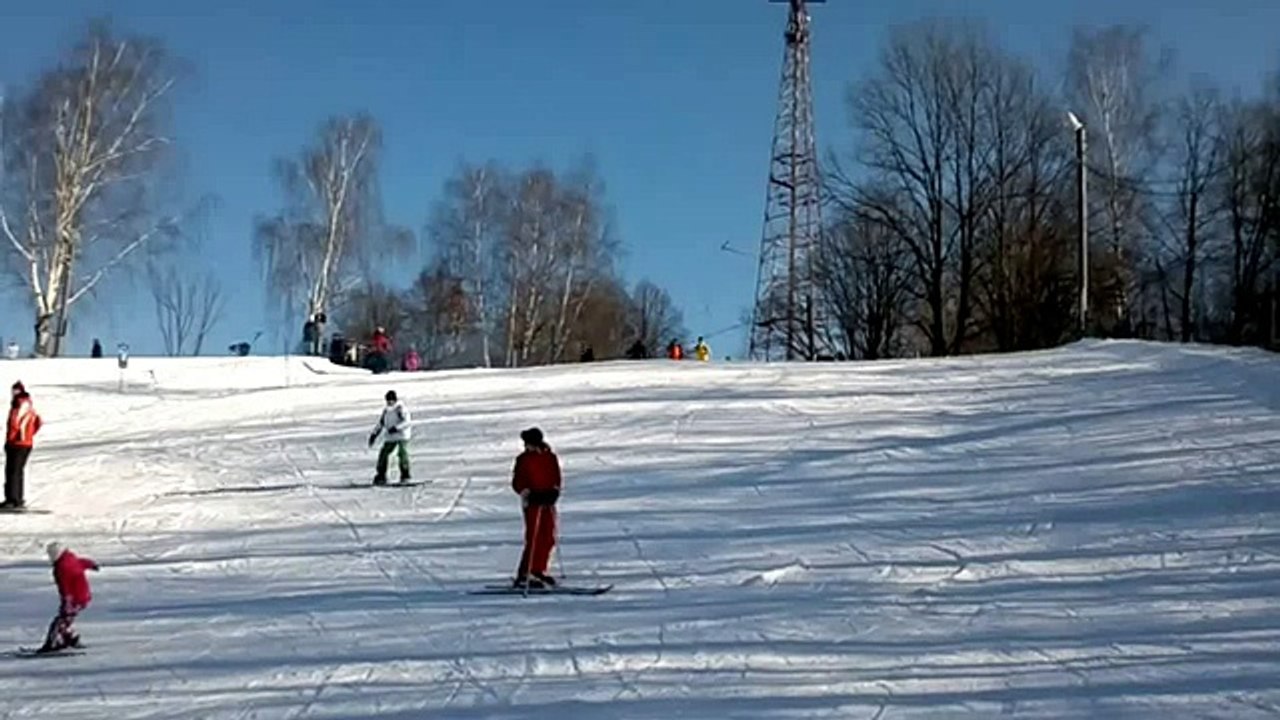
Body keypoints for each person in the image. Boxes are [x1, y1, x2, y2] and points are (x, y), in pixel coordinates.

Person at [511, 427, 562, 588]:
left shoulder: (550, 457)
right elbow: (518, 481)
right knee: (534, 537)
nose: (527, 447)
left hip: (547, 501)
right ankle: (526, 572)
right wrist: (527, 492)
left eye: (529, 443)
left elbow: (556, 476)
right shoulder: (523, 459)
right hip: (533, 502)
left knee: (548, 536)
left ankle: (538, 569)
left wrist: (554, 491)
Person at [39, 541, 99, 653]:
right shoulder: (70, 558)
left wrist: (67, 601)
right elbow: (82, 562)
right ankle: (70, 639)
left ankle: (51, 644)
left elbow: (64, 586)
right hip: (83, 597)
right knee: (66, 620)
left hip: (74, 599)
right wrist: (91, 564)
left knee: (59, 622)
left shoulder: (61, 567)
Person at [3, 381, 41, 509]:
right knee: (15, 471)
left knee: (13, 471)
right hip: (22, 443)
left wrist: (16, 438)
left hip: (18, 443)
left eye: (16, 391)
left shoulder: (20, 404)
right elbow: (37, 422)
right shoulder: (26, 404)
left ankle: (13, 500)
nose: (14, 394)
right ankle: (14, 498)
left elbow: (16, 424)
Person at [367, 390, 411, 485]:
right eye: (388, 400)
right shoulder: (386, 410)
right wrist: (374, 435)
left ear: (395, 399)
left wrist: (396, 428)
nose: (389, 402)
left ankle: (405, 474)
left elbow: (407, 422)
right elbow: (381, 424)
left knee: (402, 454)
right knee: (383, 454)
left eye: (391, 400)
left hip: (401, 436)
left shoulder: (400, 408)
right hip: (390, 437)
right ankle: (381, 475)